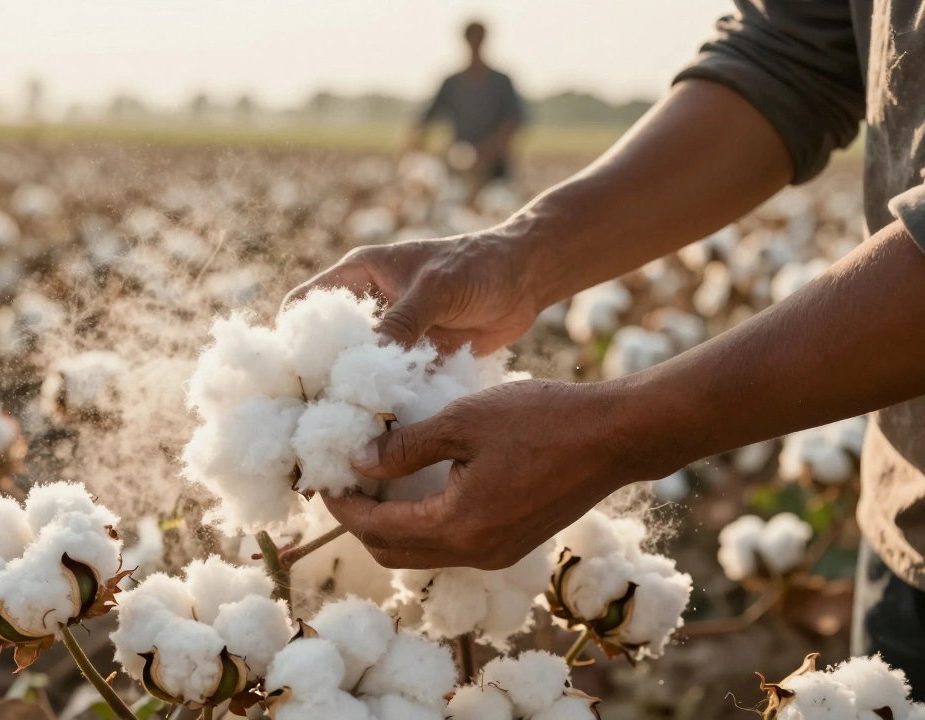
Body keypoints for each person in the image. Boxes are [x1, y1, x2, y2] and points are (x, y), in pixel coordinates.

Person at [289, 0, 925, 693]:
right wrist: (516, 255)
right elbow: (791, 56)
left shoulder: (498, 84)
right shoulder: (458, 82)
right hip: (903, 524)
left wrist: (616, 432)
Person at [409, 21, 524, 182]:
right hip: (458, 162)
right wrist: (415, 153)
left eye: (479, 38)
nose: (475, 43)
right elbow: (426, 119)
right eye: (472, 38)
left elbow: (512, 122)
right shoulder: (452, 83)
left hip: (495, 167)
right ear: (466, 40)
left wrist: (484, 154)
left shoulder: (501, 82)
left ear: (485, 40)